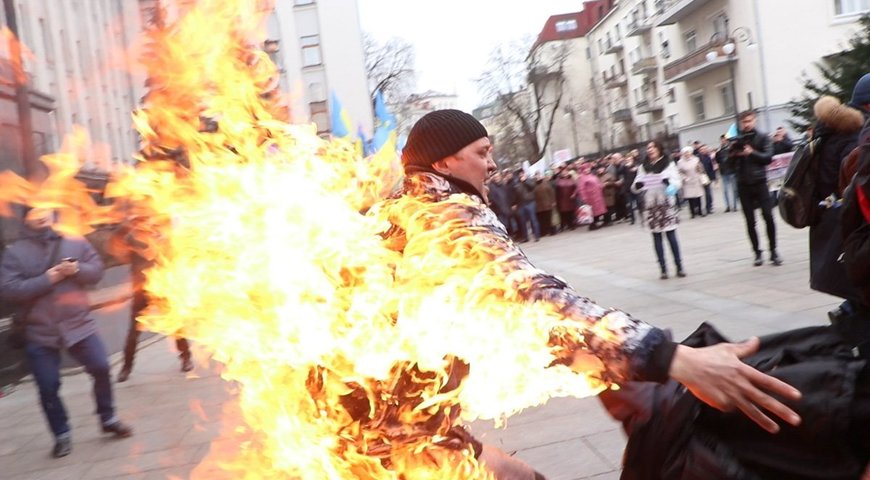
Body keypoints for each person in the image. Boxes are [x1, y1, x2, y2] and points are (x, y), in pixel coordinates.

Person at [391, 110, 800, 472]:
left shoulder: (406, 207)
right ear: (444, 161)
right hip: (386, 437)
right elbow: (532, 298)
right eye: (482, 153)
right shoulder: (446, 216)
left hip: (410, 423)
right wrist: (670, 358)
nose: (493, 165)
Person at [0, 206, 133, 458]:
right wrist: (47, 279)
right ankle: (61, 434)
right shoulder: (15, 252)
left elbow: (96, 271)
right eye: (34, 211)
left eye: (44, 209)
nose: (40, 215)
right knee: (48, 386)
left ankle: (108, 418)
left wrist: (78, 270)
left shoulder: (73, 239)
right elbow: (8, 289)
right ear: (25, 217)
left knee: (102, 368)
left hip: (79, 325)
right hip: (39, 332)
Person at [116, 211, 193, 383]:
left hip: (163, 287)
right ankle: (126, 368)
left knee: (176, 325)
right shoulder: (132, 237)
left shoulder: (161, 237)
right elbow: (123, 248)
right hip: (141, 289)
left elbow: (172, 257)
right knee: (133, 331)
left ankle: (186, 358)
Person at [730, 109, 781, 266]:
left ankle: (773, 250)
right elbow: (727, 165)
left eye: (749, 121)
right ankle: (757, 252)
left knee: (768, 216)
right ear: (740, 123)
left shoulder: (763, 137)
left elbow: (768, 158)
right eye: (744, 122)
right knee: (750, 221)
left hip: (760, 182)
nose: (747, 124)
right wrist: (733, 154)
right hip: (743, 183)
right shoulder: (735, 139)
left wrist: (751, 153)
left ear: (755, 121)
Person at [634, 141, 687, 279]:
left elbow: (677, 181)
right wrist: (638, 185)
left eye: (653, 147)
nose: (650, 150)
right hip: (651, 205)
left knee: (671, 235)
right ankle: (663, 268)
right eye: (648, 148)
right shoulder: (643, 167)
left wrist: (670, 184)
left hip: (666, 204)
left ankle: (679, 266)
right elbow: (635, 185)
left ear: (659, 149)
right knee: (656, 237)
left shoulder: (668, 164)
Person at [676, 146, 705, 218]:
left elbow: (701, 168)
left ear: (691, 152)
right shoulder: (680, 162)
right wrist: (684, 178)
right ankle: (692, 213)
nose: (687, 154)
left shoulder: (696, 159)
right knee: (690, 198)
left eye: (688, 152)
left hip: (696, 179)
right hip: (687, 181)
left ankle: (700, 211)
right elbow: (679, 172)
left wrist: (700, 168)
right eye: (685, 153)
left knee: (698, 196)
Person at [716, 134, 739, 212]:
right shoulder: (719, 150)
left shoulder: (731, 149)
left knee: (734, 189)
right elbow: (717, 160)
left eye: (724, 139)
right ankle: (728, 206)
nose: (723, 141)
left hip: (732, 171)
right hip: (723, 172)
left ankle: (735, 206)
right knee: (725, 190)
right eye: (721, 140)